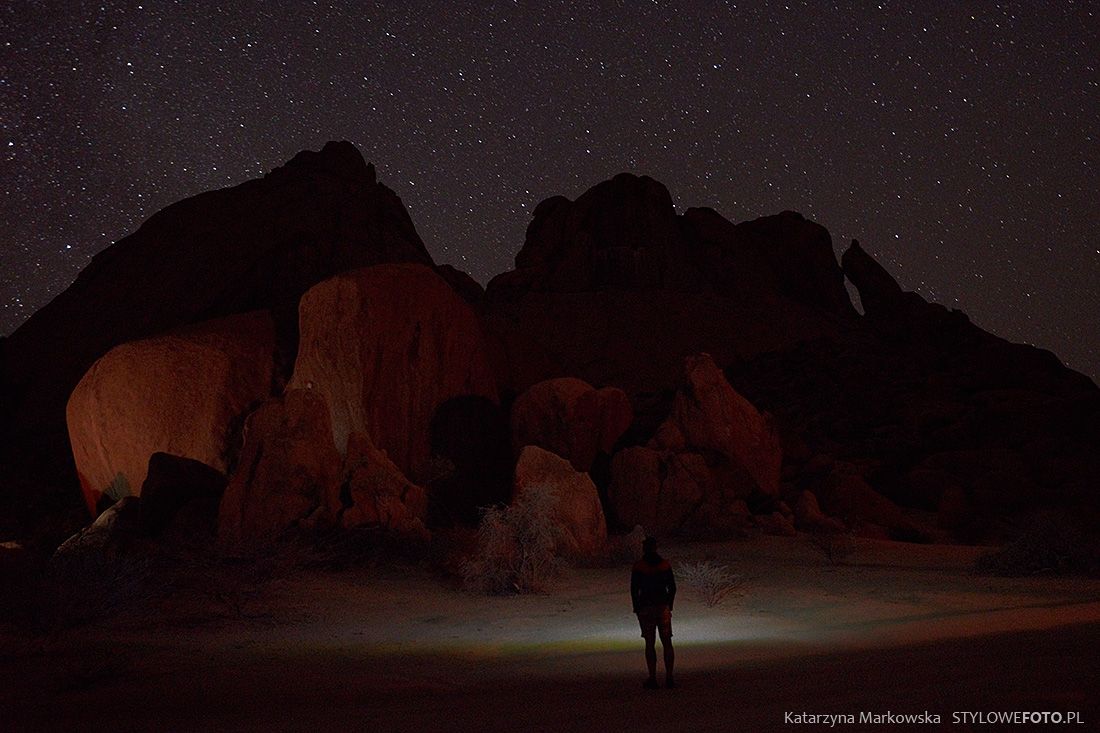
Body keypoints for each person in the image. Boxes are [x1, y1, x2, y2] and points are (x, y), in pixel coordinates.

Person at [631, 536, 676, 689]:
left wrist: (637, 607)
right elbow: (672, 587)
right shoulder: (664, 565)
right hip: (662, 607)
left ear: (644, 548)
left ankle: (652, 678)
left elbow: (634, 589)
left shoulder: (639, 566)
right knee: (667, 642)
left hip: (646, 609)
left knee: (650, 643)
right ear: (656, 548)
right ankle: (669, 678)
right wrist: (669, 604)